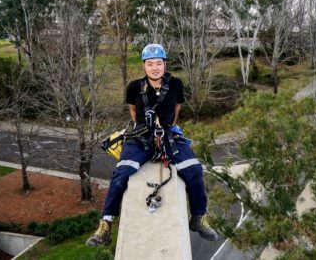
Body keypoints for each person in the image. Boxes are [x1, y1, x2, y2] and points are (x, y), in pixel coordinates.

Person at [86, 43, 219, 246]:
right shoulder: (134, 87)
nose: (155, 67)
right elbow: (133, 111)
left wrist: (166, 128)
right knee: (122, 172)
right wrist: (145, 129)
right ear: (144, 66)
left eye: (159, 63)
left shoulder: (175, 84)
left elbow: (176, 108)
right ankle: (106, 223)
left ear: (165, 64)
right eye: (150, 64)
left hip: (167, 134)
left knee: (193, 168)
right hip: (140, 136)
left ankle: (198, 217)